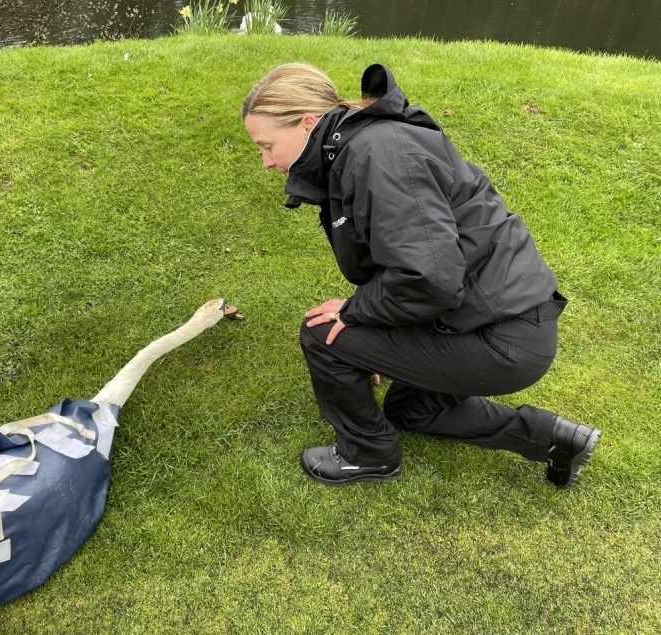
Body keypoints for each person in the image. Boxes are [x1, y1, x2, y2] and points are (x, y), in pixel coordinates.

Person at [242, 62, 602, 488]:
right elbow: (421, 264)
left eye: (266, 146)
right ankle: (555, 439)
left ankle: (368, 455)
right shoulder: (361, 148)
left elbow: (429, 278)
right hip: (501, 321)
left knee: (323, 334)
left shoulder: (377, 155)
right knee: (411, 409)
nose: (266, 162)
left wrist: (358, 317)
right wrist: (373, 341)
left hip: (503, 339)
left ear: (307, 123)